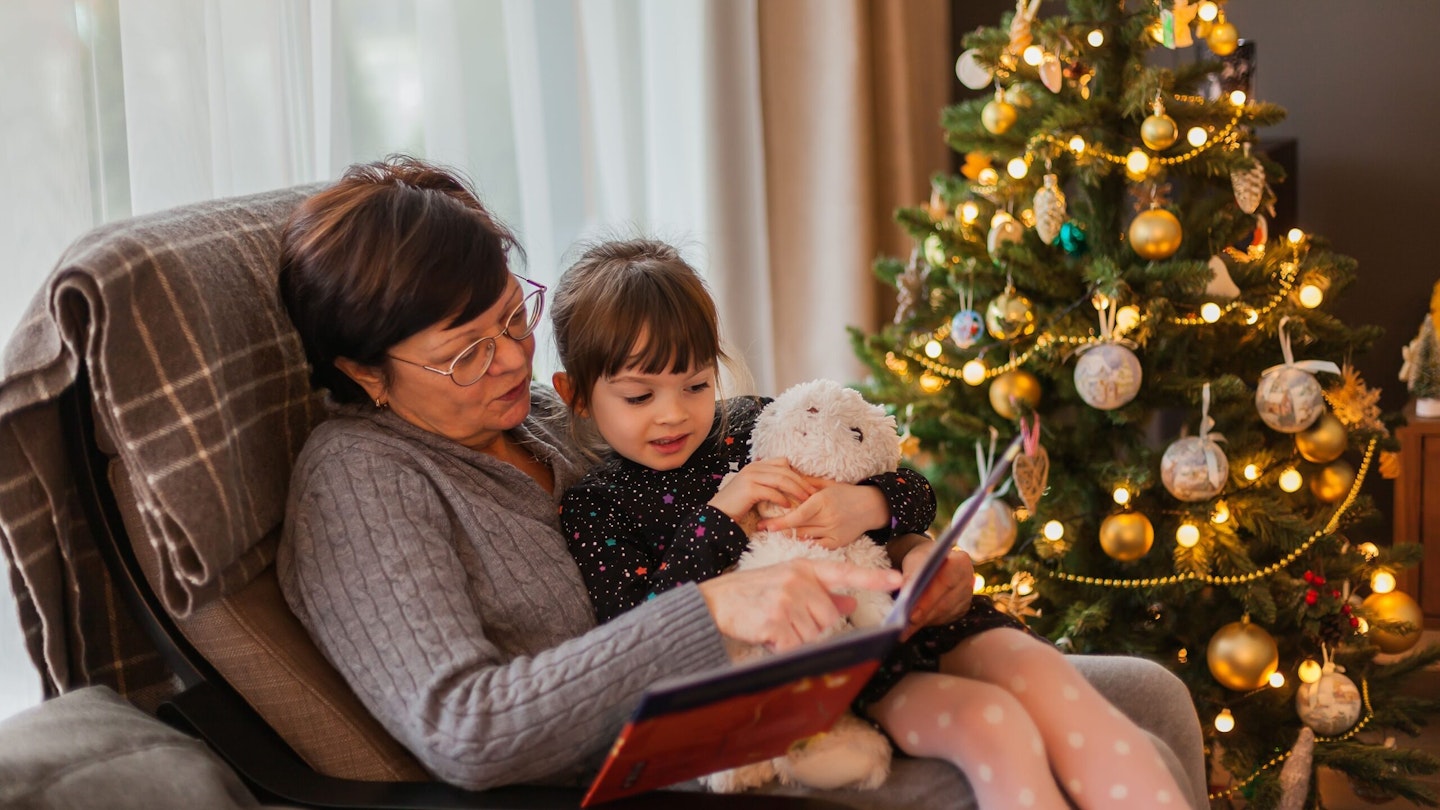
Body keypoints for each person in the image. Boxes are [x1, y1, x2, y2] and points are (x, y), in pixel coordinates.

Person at [273, 156, 908, 792]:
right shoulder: (359, 482)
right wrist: (708, 608)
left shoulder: (549, 417)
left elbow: (783, 469)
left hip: (782, 692)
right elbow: (469, 731)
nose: (514, 359)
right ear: (364, 372)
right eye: (466, 353)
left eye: (513, 317)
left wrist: (908, 548)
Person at [550, 239, 1190, 810]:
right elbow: (641, 629)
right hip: (844, 671)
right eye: (640, 396)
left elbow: (908, 487)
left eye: (694, 385)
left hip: (921, 615)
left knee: (1058, 691)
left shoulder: (754, 422)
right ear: (575, 394)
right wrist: (722, 515)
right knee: (993, 727)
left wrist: (873, 507)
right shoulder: (597, 506)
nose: (674, 415)